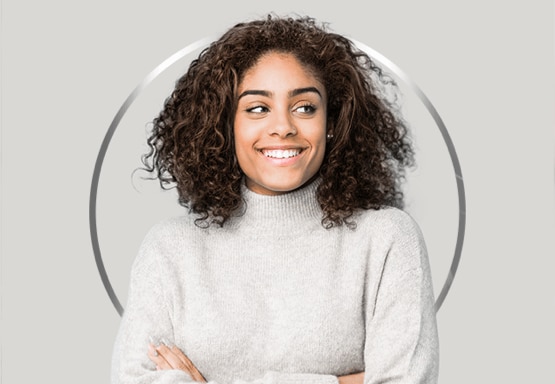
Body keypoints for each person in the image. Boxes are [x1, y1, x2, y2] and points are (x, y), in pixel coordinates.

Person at [112, 14, 439, 384]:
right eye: (257, 108)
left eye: (305, 107)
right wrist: (342, 382)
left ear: (331, 123)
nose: (283, 126)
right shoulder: (170, 249)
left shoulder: (387, 241)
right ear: (225, 124)